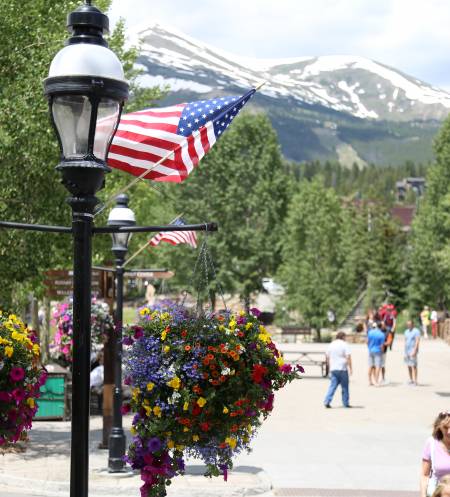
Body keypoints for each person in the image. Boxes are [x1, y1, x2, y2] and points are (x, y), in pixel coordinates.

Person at [420, 412, 450, 497]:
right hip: (438, 493)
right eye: (445, 427)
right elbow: (425, 475)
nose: (449, 432)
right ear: (439, 426)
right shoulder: (431, 443)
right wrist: (423, 495)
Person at [324, 331, 352, 408]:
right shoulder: (344, 344)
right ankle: (345, 403)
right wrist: (350, 368)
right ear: (343, 337)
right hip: (342, 368)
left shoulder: (331, 344)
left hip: (333, 368)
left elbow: (327, 357)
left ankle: (327, 401)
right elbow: (348, 357)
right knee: (345, 387)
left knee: (332, 386)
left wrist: (328, 367)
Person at [367, 322, 385, 386]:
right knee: (378, 366)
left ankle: (370, 381)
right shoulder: (382, 334)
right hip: (378, 351)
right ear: (381, 326)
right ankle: (376, 381)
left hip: (371, 350)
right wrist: (382, 352)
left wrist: (369, 348)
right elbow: (382, 346)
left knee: (370, 366)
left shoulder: (370, 332)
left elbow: (367, 341)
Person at [404, 320, 420, 385]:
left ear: (413, 324)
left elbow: (417, 341)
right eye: (407, 324)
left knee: (414, 366)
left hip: (413, 350)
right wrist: (405, 351)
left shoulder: (416, 331)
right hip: (407, 351)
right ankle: (411, 379)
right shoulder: (406, 331)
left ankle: (415, 381)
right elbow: (405, 341)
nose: (408, 325)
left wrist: (415, 351)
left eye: (410, 324)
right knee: (409, 365)